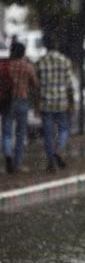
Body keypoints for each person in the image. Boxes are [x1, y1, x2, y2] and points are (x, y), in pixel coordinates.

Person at [36, 34, 75, 173]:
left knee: (48, 133)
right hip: (61, 102)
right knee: (64, 129)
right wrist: (72, 102)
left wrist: (36, 104)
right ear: (57, 45)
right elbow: (70, 85)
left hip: (46, 102)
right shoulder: (65, 61)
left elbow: (37, 85)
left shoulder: (41, 62)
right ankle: (59, 149)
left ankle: (51, 162)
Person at [2, 42, 38, 174]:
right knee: (20, 133)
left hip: (7, 101)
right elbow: (35, 83)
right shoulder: (27, 66)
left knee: (6, 132)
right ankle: (18, 164)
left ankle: (7, 153)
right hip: (22, 100)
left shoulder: (6, 66)